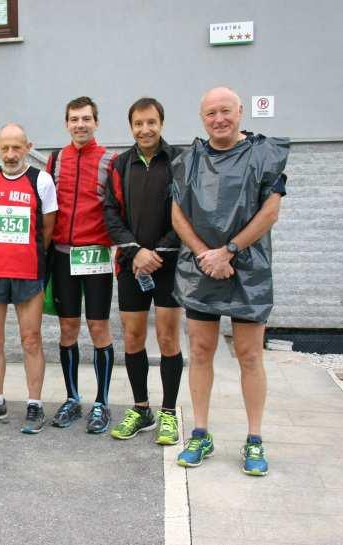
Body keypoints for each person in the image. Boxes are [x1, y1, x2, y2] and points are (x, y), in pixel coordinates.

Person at [172, 87, 287, 476]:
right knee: (201, 352)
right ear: (201, 118)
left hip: (247, 270)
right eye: (210, 113)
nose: (218, 119)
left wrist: (229, 251)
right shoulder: (189, 161)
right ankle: (200, 433)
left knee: (250, 356)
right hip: (201, 269)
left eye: (225, 111)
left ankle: (255, 439)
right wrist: (208, 255)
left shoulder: (264, 154)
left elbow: (270, 212)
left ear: (240, 111)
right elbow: (177, 215)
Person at [103, 98, 184, 445]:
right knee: (133, 338)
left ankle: (168, 413)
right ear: (131, 126)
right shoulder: (120, 164)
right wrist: (135, 253)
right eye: (138, 123)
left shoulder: (179, 161)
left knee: (167, 339)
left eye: (151, 122)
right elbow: (110, 212)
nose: (145, 129)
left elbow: (187, 213)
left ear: (161, 123)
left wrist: (156, 252)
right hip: (131, 266)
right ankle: (141, 409)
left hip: (167, 266)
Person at [0, 124, 57, 434]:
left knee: (31, 339)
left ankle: (34, 404)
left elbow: (47, 230)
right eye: (5, 148)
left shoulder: (41, 180)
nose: (10, 154)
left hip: (28, 273)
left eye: (16, 148)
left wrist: (26, 257)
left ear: (27, 146)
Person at [46, 96, 118, 434]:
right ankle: (73, 398)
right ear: (66, 123)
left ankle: (102, 403)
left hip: (96, 256)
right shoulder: (56, 159)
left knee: (99, 329)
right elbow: (46, 207)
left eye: (86, 119)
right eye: (74, 119)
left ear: (96, 122)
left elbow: (119, 209)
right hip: (62, 255)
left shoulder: (109, 160)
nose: (80, 124)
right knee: (68, 329)